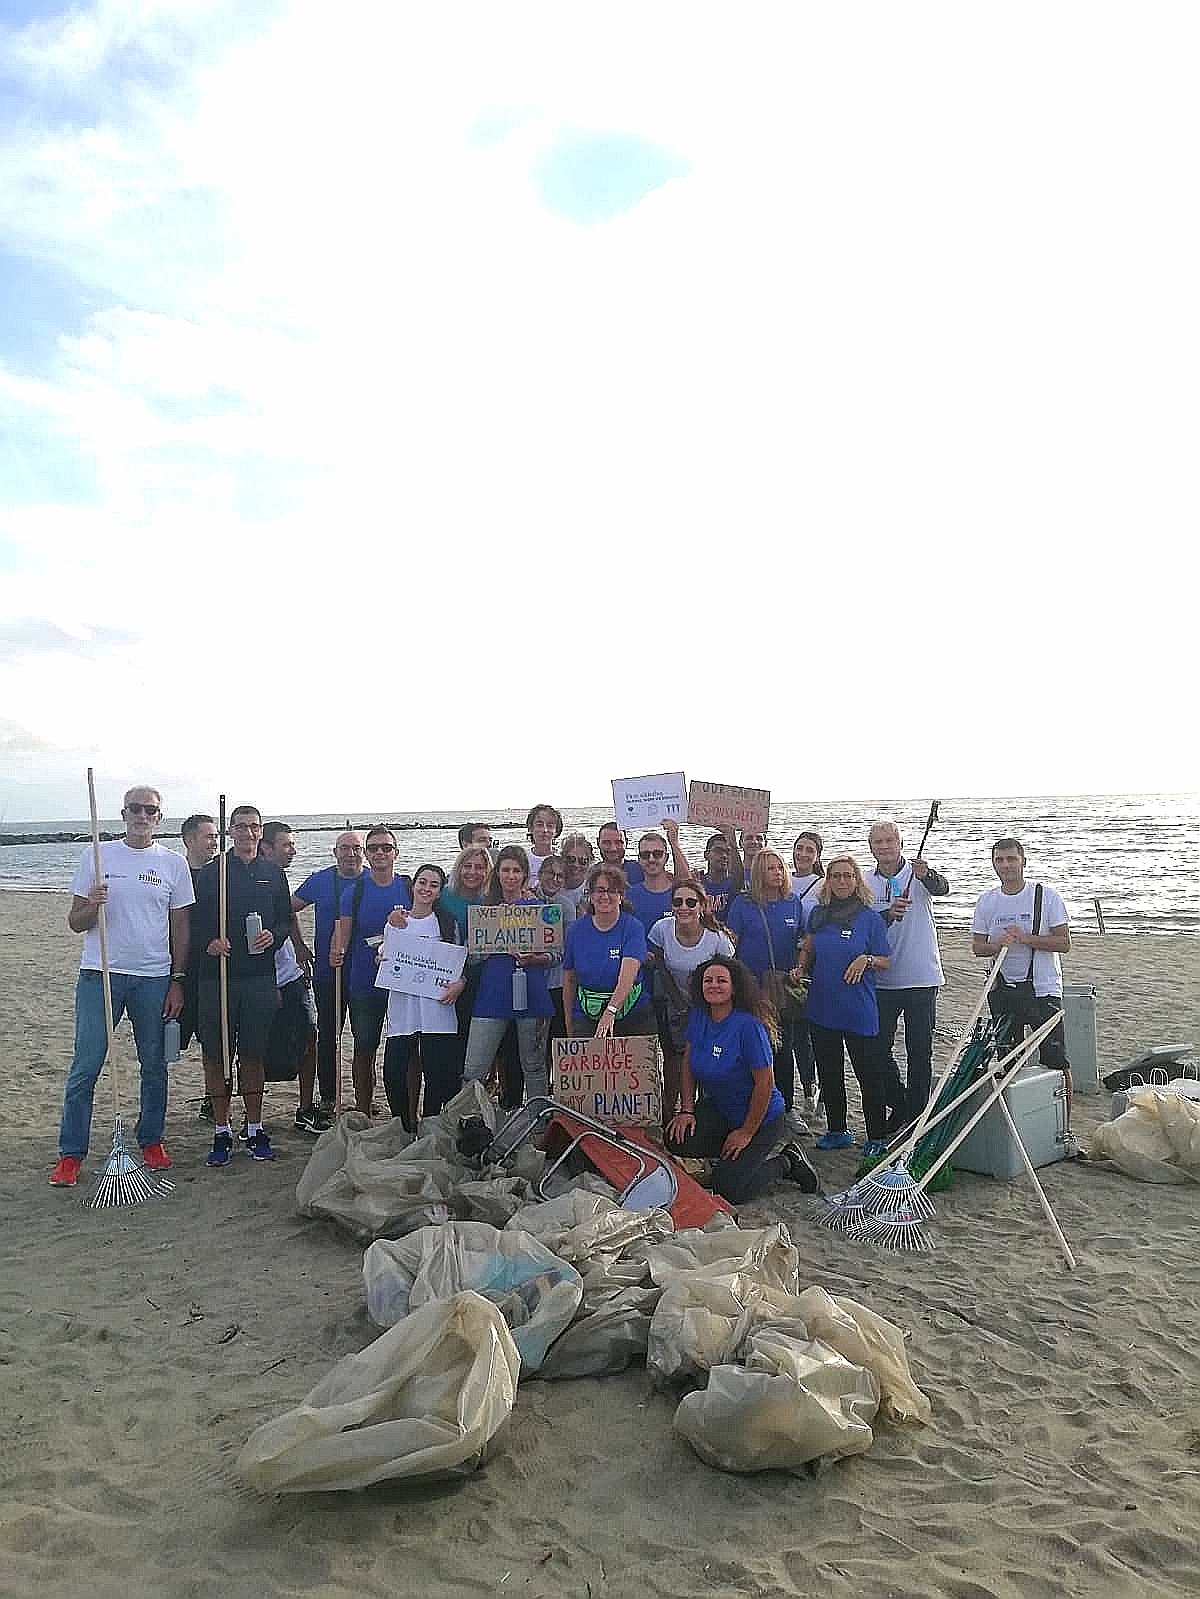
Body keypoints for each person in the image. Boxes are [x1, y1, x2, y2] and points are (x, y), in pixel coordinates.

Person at [51, 785, 194, 1187]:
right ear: (123, 813)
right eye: (136, 808)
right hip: (101, 975)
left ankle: (151, 1140)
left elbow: (181, 928)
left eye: (150, 810)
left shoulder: (172, 864)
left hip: (153, 977)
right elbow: (75, 922)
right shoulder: (96, 856)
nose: (142, 816)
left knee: (154, 1064)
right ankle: (71, 1154)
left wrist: (177, 980)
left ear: (159, 818)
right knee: (87, 1064)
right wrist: (91, 906)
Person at [666, 957, 818, 1204]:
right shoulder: (699, 1016)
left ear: (735, 987)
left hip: (762, 1118)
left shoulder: (749, 1027)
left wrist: (746, 1132)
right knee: (676, 1137)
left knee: (728, 1190)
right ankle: (732, 1158)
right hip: (723, 1110)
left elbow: (765, 1084)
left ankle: (787, 1161)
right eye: (708, 981)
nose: (714, 985)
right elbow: (687, 1064)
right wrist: (686, 1110)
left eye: (721, 980)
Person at [192, 805, 293, 1167]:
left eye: (254, 827)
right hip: (216, 976)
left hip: (258, 976)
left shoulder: (272, 873)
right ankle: (221, 1129)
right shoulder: (212, 872)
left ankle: (254, 1126)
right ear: (229, 831)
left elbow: (284, 920)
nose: (248, 833)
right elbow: (194, 918)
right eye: (241, 827)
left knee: (253, 1053)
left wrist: (275, 935)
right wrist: (210, 941)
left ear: (261, 831)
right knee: (217, 1054)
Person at [800, 855, 898, 1155]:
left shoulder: (870, 918)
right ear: (827, 881)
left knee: (868, 1075)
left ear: (857, 881)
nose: (842, 881)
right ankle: (837, 1130)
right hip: (822, 1007)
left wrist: (865, 959)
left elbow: (885, 961)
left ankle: (876, 1136)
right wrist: (800, 967)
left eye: (848, 876)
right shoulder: (818, 915)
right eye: (836, 876)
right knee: (830, 1073)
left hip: (858, 1009)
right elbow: (808, 946)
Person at [971, 837, 1072, 1106]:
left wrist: (1027, 939)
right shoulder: (987, 901)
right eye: (999, 860)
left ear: (1023, 861)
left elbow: (1064, 943)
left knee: (1055, 1061)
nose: (1005, 865)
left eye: (1011, 859)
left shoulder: (1046, 896)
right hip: (1003, 990)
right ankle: (1021, 1116)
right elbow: (978, 948)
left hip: (1042, 988)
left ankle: (1065, 1129)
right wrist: (997, 945)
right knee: (1008, 1061)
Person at [865, 818, 950, 1125]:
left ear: (900, 843)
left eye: (890, 841)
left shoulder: (917, 874)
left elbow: (943, 888)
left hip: (921, 978)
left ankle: (916, 1115)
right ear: (871, 846)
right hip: (883, 979)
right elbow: (863, 923)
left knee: (919, 1052)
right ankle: (899, 1103)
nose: (884, 847)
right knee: (877, 1049)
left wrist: (927, 874)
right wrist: (888, 914)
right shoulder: (865, 881)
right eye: (878, 842)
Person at [463, 846, 554, 1102]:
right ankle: (469, 1125)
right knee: (474, 1069)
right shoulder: (484, 910)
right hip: (492, 995)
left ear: (525, 875)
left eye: (517, 871)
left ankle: (538, 1126)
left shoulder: (539, 909)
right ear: (497, 873)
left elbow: (556, 955)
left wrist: (535, 958)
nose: (511, 876)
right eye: (506, 870)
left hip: (532, 994)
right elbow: (471, 956)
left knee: (534, 1067)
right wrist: (492, 947)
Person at [258, 822, 330, 1135]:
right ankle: (253, 1116)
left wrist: (300, 948)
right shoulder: (246, 879)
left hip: (290, 971)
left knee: (309, 1035)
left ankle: (305, 1107)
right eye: (286, 845)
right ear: (266, 847)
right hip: (257, 976)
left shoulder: (280, 877)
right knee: (254, 1045)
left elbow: (288, 915)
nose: (293, 850)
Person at [337, 825, 413, 1114]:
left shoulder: (408, 887)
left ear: (396, 852)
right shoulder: (353, 892)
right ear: (366, 854)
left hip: (403, 985)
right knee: (364, 1049)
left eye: (386, 847)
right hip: (364, 984)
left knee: (407, 1052)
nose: (380, 852)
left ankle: (406, 1113)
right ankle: (364, 1108)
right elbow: (342, 937)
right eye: (374, 848)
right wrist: (336, 953)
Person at [381, 863, 464, 1128]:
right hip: (403, 1007)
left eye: (434, 885)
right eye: (422, 882)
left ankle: (429, 1123)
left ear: (440, 892)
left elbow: (460, 961)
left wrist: (460, 983)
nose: (426, 888)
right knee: (393, 1073)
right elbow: (386, 952)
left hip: (437, 1006)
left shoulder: (447, 923)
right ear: (413, 885)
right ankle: (404, 1125)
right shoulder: (397, 921)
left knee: (436, 1073)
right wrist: (381, 958)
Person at [723, 850, 806, 1109]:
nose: (778, 873)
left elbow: (804, 940)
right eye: (771, 868)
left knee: (784, 1047)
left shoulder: (793, 901)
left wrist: (801, 967)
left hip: (781, 987)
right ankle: (753, 1103)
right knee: (754, 1047)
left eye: (780, 868)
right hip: (752, 987)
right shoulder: (743, 904)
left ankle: (787, 1106)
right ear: (759, 871)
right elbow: (730, 943)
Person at [647, 879, 734, 1124]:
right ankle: (668, 1115)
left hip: (709, 1008)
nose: (683, 907)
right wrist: (679, 1005)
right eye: (677, 902)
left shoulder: (717, 940)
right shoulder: (661, 929)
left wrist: (701, 1011)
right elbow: (660, 965)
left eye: (690, 902)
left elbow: (726, 979)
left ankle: (707, 1114)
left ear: (702, 906)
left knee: (706, 1063)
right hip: (673, 1005)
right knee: (674, 1062)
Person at [293, 831, 367, 1110]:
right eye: (344, 848)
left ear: (364, 852)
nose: (350, 854)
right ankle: (327, 1098)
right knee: (328, 1037)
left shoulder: (372, 880)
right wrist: (299, 946)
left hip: (364, 974)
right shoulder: (320, 880)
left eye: (356, 848)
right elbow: (288, 908)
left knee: (365, 1040)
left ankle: (364, 1099)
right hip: (328, 972)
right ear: (335, 852)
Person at [562, 863, 655, 1037]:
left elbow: (628, 974)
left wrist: (610, 1012)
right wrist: (568, 1021)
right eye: (600, 890)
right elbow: (570, 979)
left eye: (612, 890)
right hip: (586, 1013)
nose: (605, 896)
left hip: (632, 1012)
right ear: (590, 895)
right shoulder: (575, 931)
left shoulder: (633, 927)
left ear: (621, 896)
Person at [179, 812, 219, 1113]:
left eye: (216, 836)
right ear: (189, 839)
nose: (214, 842)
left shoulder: (220, 876)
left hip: (212, 971)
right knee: (168, 1042)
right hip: (178, 969)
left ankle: (212, 1097)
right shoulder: (175, 873)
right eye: (209, 836)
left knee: (213, 1042)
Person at [789, 829, 825, 1116]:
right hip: (789, 959)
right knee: (795, 1030)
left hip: (816, 962)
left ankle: (814, 1086)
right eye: (799, 848)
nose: (803, 854)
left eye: (809, 850)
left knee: (813, 1030)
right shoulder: (783, 879)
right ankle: (806, 1086)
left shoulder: (823, 885)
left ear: (817, 855)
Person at [626, 823, 685, 932]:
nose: (651, 859)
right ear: (639, 859)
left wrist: (674, 842)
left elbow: (687, 882)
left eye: (657, 854)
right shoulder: (629, 895)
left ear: (666, 857)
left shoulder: (680, 893)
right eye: (645, 855)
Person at [698, 827, 744, 921]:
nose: (724, 856)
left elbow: (739, 876)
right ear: (706, 855)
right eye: (718, 851)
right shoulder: (698, 882)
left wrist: (733, 844)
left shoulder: (733, 883)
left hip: (726, 933)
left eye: (728, 852)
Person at [557, 833, 595, 920]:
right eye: (571, 859)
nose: (576, 865)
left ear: (589, 863)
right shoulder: (551, 885)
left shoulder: (594, 889)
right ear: (562, 859)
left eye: (583, 861)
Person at [525, 803, 564, 880]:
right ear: (531, 828)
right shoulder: (523, 859)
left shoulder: (562, 859)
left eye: (550, 826)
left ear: (556, 831)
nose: (545, 830)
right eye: (539, 825)